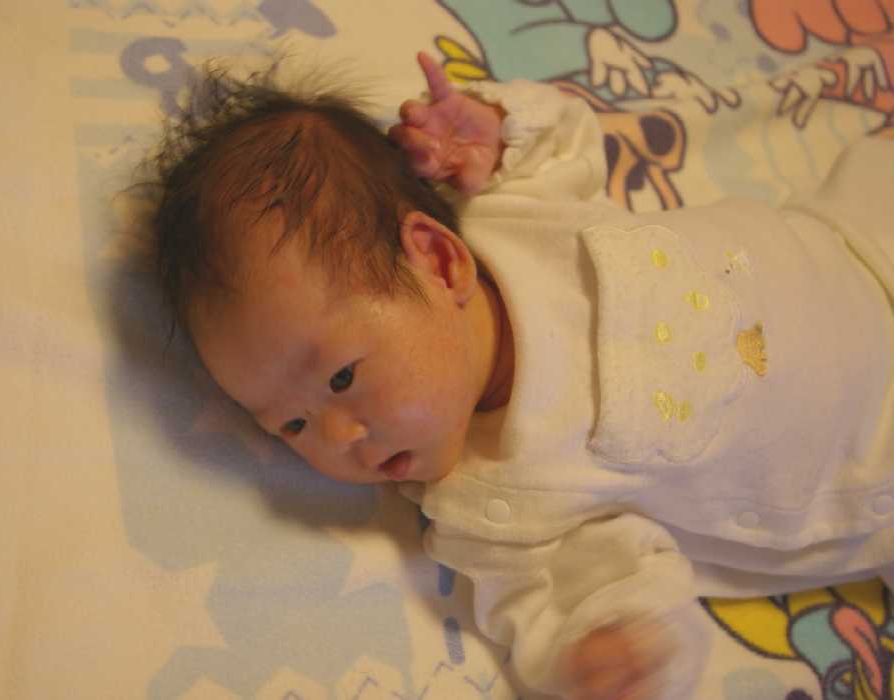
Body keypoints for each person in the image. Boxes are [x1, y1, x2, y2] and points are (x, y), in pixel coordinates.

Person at [148, 52, 894, 699]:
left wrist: (495, 127)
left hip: (853, 237)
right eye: (291, 424)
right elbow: (576, 589)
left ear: (439, 261)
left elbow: (565, 137)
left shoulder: (515, 211)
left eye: (341, 378)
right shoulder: (491, 503)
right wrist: (609, 648)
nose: (338, 437)